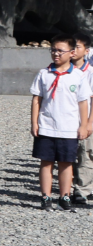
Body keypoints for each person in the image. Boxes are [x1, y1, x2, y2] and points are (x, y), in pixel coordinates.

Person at [30, 34, 92, 211]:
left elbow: (83, 102)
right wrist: (34, 123)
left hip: (69, 127)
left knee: (66, 163)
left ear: (71, 53)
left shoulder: (78, 76)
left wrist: (84, 125)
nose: (56, 54)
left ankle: (64, 197)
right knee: (46, 162)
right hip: (47, 126)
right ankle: (46, 197)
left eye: (60, 51)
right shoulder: (44, 74)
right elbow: (37, 100)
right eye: (53, 50)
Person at [71, 32, 93, 206]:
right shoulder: (63, 70)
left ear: (87, 51)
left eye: (77, 46)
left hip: (85, 119)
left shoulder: (90, 72)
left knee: (85, 154)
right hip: (67, 119)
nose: (73, 50)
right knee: (68, 154)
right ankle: (68, 188)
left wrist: (90, 122)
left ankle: (83, 190)